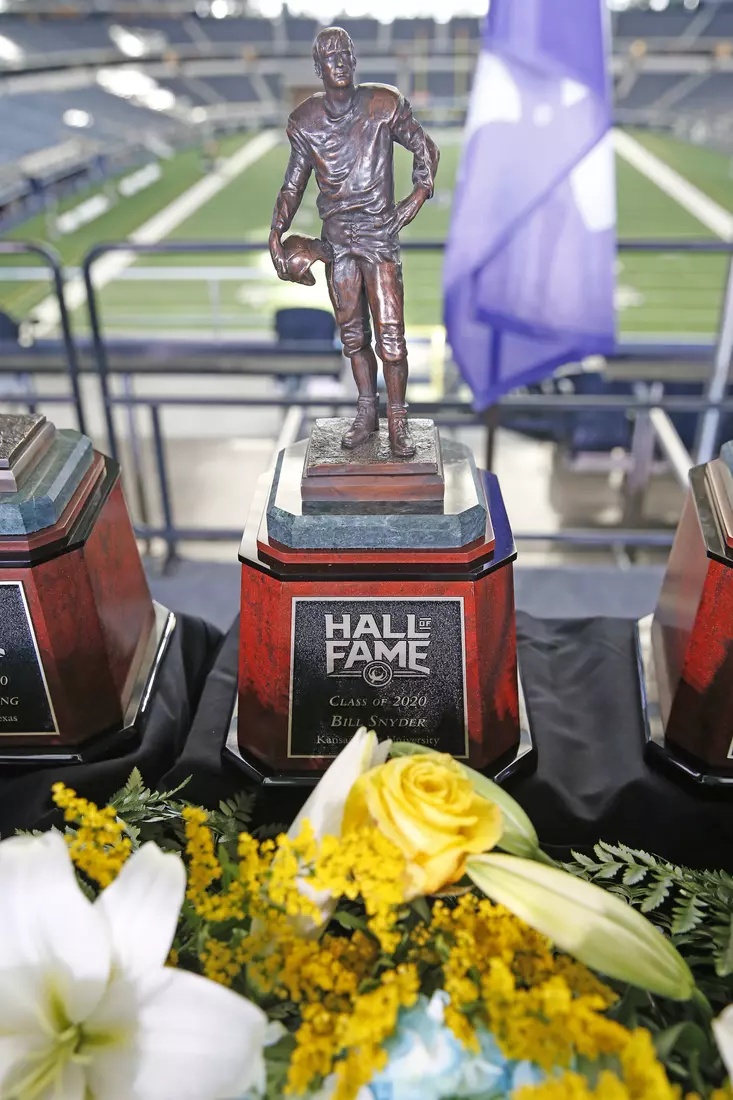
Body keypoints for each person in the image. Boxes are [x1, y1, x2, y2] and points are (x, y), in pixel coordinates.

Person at [269, 25, 439, 458]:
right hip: (338, 241)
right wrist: (276, 231)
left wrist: (417, 195)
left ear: (355, 60)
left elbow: (425, 149)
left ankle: (397, 417)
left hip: (379, 236)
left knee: (392, 336)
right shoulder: (305, 121)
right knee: (352, 336)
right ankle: (367, 409)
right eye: (330, 57)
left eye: (345, 54)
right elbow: (294, 183)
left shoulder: (383, 104)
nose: (339, 62)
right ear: (318, 67)